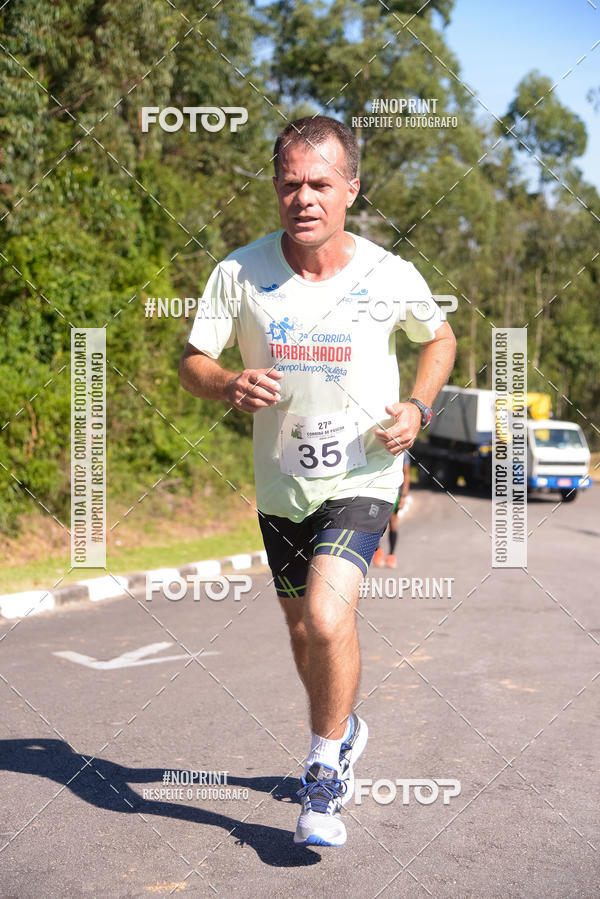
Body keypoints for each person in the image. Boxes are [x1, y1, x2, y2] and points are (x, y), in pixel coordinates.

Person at [178, 115, 456, 847]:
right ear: (276, 187)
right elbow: (193, 362)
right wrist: (228, 383)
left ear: (351, 189)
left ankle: (324, 773)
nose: (304, 197)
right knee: (305, 630)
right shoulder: (238, 274)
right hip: (281, 486)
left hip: (364, 472)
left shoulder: (388, 275)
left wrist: (417, 407)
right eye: (290, 183)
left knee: (329, 618)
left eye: (321, 184)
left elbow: (439, 337)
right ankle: (345, 726)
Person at [372, 453, 411, 568]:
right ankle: (377, 550)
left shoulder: (404, 453)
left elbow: (406, 474)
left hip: (394, 493)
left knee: (393, 523)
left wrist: (403, 496)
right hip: (377, 492)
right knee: (374, 522)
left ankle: (391, 556)